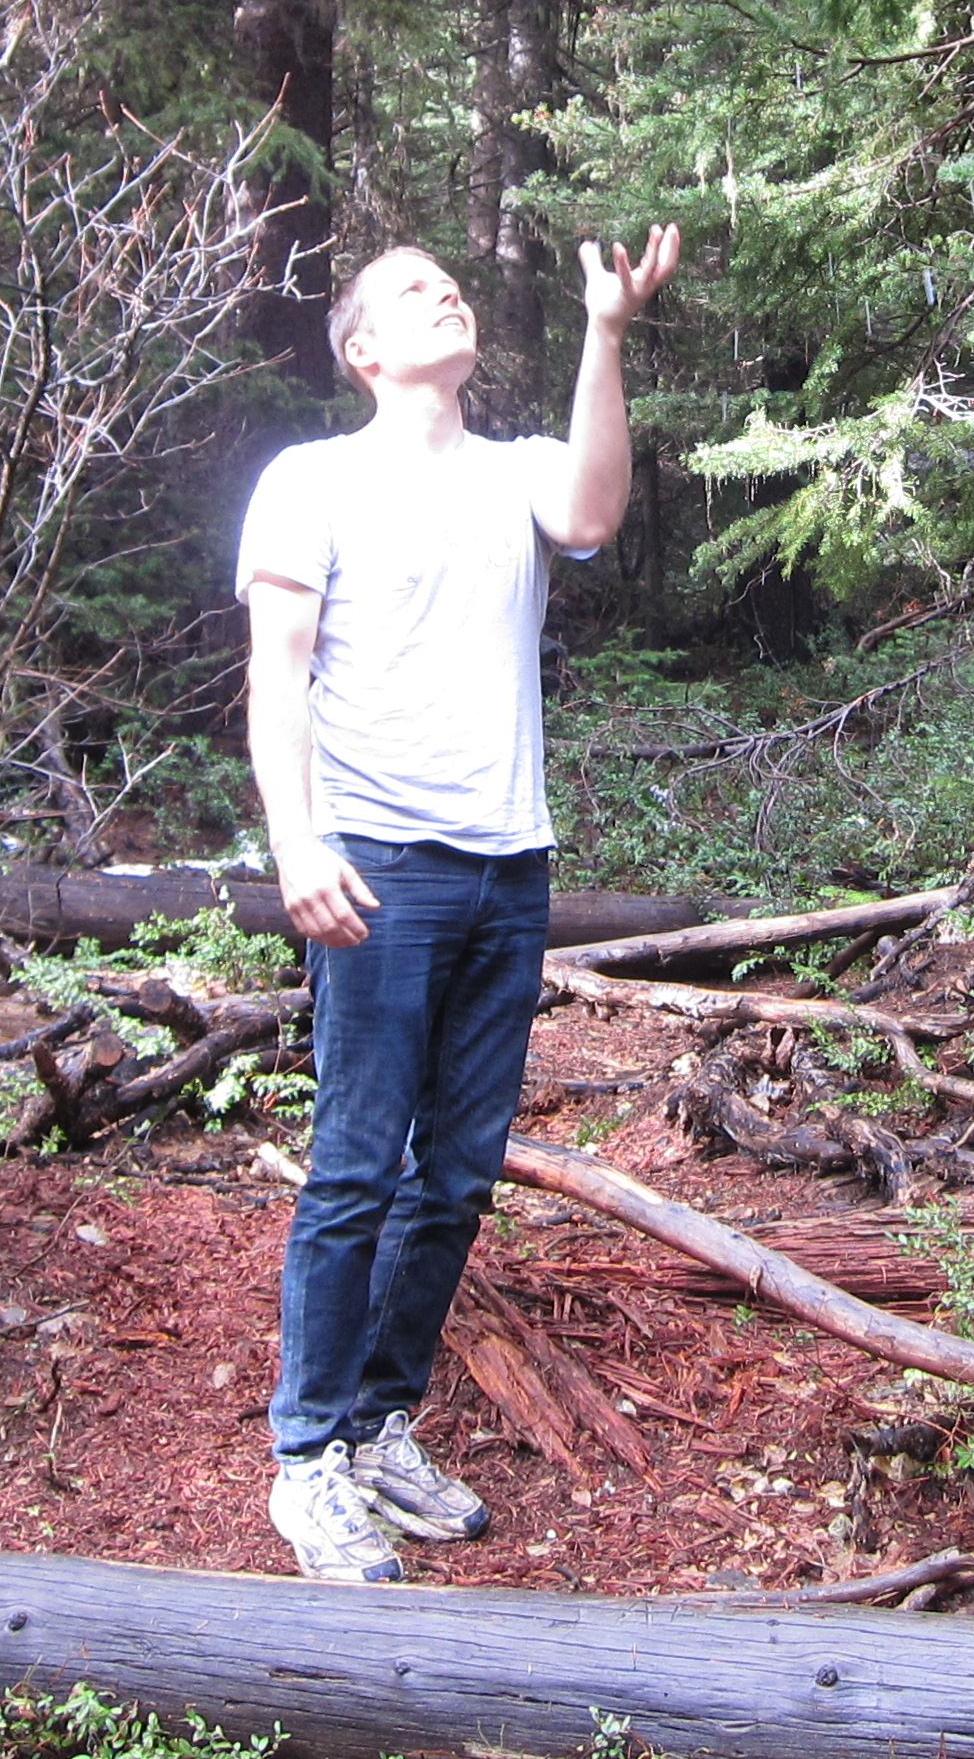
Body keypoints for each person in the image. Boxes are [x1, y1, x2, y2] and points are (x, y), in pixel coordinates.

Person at [234, 226, 682, 1581]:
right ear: (364, 350)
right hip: (379, 862)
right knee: (358, 1164)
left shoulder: (515, 472)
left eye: (454, 284)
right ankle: (307, 1458)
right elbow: (276, 674)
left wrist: (606, 330)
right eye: (413, 291)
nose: (447, 295)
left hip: (508, 865)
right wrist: (295, 842)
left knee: (458, 1175)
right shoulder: (310, 481)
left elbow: (592, 515)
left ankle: (378, 1427)